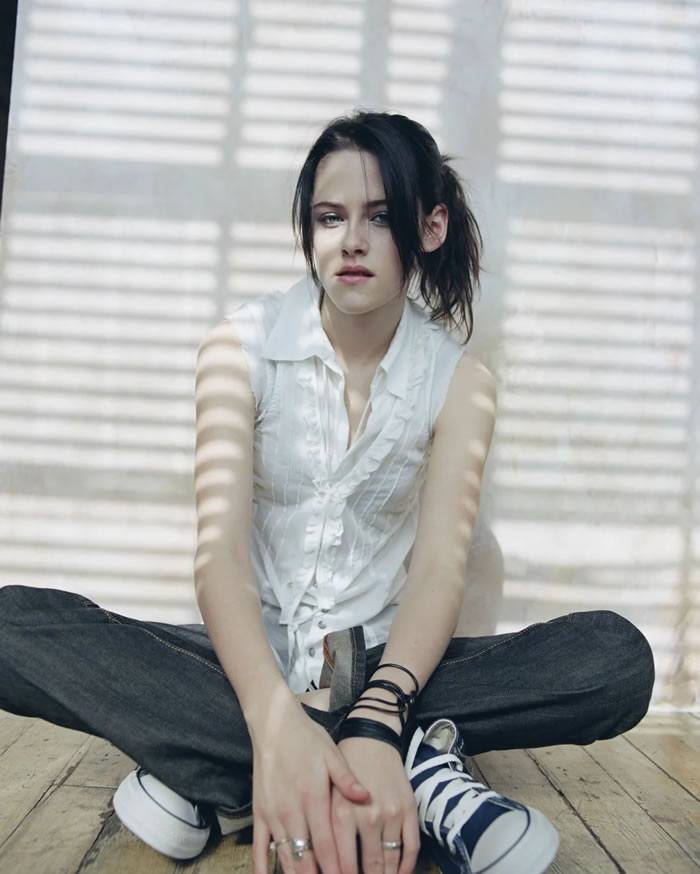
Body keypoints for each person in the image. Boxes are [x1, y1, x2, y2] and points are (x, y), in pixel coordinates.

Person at [0, 110, 654, 874]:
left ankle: (224, 771)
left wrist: (378, 710)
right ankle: (397, 763)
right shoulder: (238, 348)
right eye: (330, 216)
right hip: (244, 654)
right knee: (13, 626)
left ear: (430, 226)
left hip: (384, 661)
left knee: (614, 660)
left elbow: (439, 569)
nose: (351, 240)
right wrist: (275, 711)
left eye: (380, 216)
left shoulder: (460, 382)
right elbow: (219, 559)